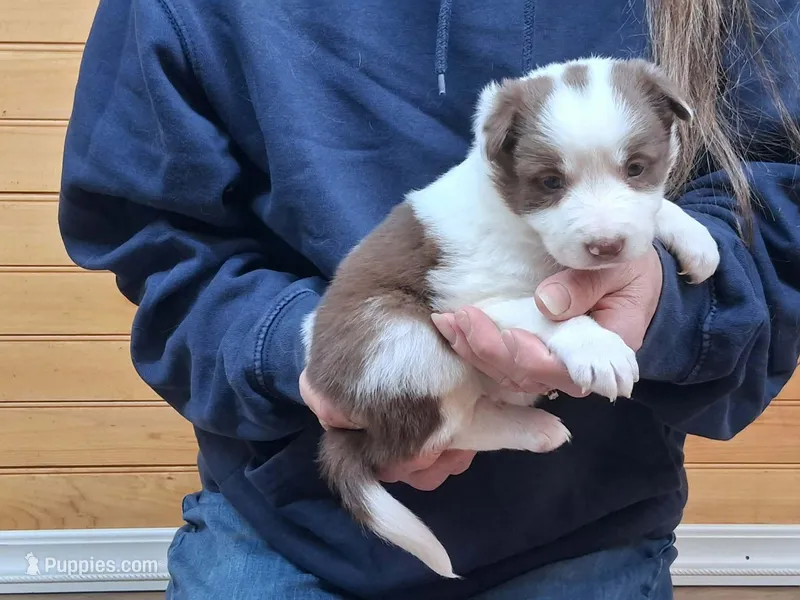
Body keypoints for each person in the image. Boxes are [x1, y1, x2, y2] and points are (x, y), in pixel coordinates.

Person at [58, 0, 800, 598]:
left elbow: (773, 197)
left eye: (636, 171)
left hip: (590, 528)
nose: (603, 224)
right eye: (551, 182)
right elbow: (155, 236)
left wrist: (670, 294)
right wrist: (296, 349)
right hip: (284, 523)